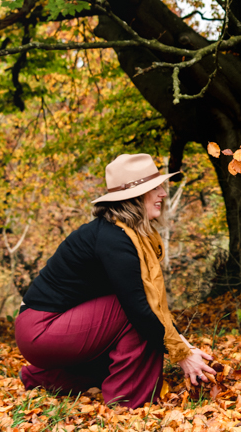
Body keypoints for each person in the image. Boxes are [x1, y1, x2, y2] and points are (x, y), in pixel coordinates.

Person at [14, 153, 215, 408]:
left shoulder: (125, 235)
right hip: (41, 329)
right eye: (155, 188)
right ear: (135, 196)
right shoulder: (114, 239)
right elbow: (141, 309)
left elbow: (153, 307)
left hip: (49, 328)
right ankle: (127, 401)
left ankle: (45, 378)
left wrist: (186, 347)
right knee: (133, 314)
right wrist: (183, 355)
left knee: (138, 319)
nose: (163, 193)